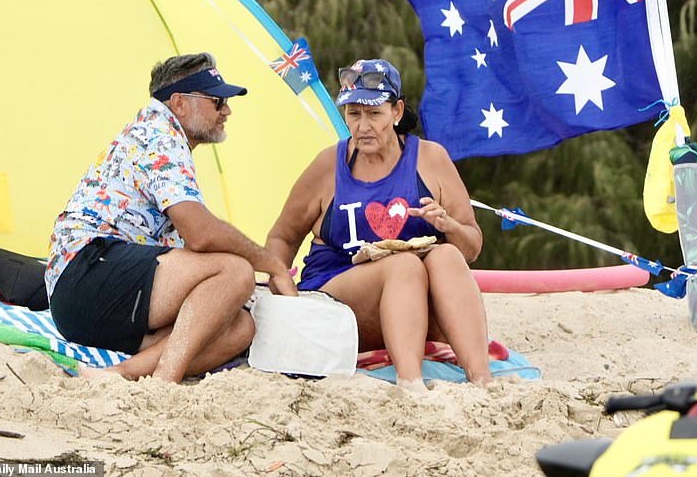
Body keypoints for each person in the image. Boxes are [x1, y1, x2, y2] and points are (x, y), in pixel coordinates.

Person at [46, 52, 297, 383]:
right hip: (87, 270)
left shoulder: (159, 134)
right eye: (217, 101)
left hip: (93, 299)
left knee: (238, 327)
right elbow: (201, 234)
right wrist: (273, 265)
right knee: (235, 271)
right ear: (179, 103)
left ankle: (119, 375)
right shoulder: (160, 135)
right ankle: (165, 380)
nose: (227, 111)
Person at [266, 58, 491, 389]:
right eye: (354, 115)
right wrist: (278, 283)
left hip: (415, 306)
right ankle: (411, 383)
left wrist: (448, 227)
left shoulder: (431, 159)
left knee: (445, 256)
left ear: (397, 112)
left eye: (374, 114)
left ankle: (482, 379)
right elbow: (282, 237)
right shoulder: (329, 165)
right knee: (404, 266)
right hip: (340, 300)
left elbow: (471, 247)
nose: (362, 126)